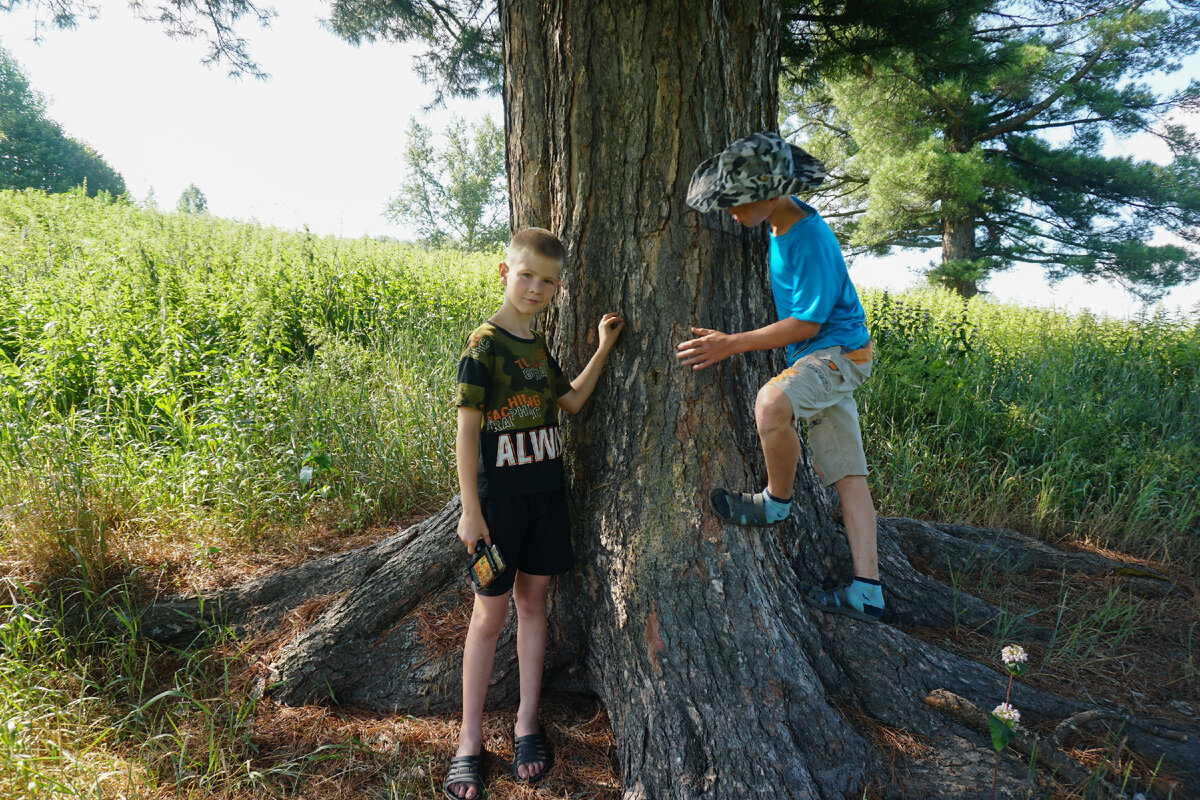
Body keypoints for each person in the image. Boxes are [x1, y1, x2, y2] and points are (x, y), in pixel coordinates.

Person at [446, 227, 625, 800]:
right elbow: (467, 433)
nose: (536, 288)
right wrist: (471, 512)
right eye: (526, 275)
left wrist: (601, 348)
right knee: (488, 617)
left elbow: (569, 400)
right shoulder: (484, 346)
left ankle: (526, 723)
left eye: (548, 281)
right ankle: (469, 741)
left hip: (548, 495)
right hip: (499, 504)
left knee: (533, 603)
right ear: (505, 272)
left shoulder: (537, 349)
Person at [677, 131, 884, 624]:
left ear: (772, 195)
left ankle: (775, 502)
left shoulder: (809, 237)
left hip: (836, 354)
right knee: (850, 478)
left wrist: (730, 343)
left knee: (771, 405)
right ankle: (869, 591)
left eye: (738, 202)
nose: (730, 212)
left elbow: (807, 324)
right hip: (832, 357)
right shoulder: (779, 226)